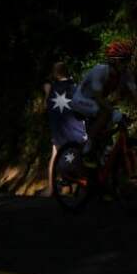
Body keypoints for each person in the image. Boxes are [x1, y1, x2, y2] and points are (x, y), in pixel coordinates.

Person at [71, 39, 137, 167]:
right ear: (114, 60)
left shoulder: (126, 74)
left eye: (128, 60)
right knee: (106, 113)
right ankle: (88, 146)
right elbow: (99, 98)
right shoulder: (100, 70)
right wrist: (113, 111)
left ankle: (101, 152)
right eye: (123, 60)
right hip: (81, 100)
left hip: (95, 102)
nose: (126, 64)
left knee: (109, 124)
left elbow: (136, 96)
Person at [42, 62, 87, 196]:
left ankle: (51, 189)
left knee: (55, 155)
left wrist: (47, 92)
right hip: (75, 130)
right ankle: (83, 189)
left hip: (59, 130)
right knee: (79, 158)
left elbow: (47, 106)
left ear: (55, 73)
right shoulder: (75, 87)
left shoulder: (51, 89)